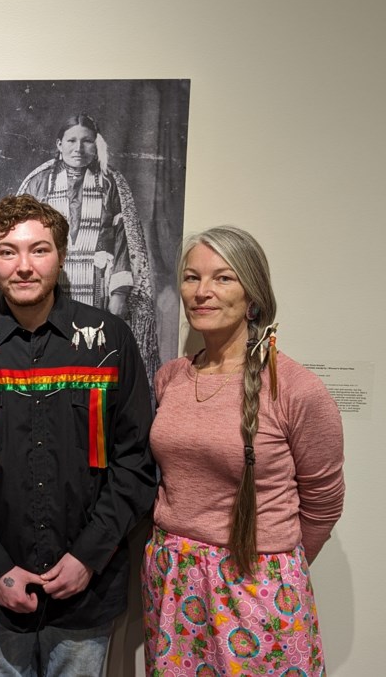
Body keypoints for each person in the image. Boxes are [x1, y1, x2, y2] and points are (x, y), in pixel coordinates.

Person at [0, 194, 156, 677]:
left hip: (86, 589)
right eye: (7, 251)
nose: (24, 266)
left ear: (61, 254)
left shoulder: (109, 342)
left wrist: (87, 556)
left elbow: (136, 460)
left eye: (40, 250)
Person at [142, 226, 345, 676]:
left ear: (252, 294)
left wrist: (271, 568)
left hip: (255, 586)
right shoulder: (171, 378)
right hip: (173, 578)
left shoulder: (296, 389)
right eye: (192, 278)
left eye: (222, 278)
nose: (202, 292)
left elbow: (324, 504)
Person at [17, 114, 160, 379]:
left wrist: (118, 296)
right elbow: (22, 243)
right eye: (71, 140)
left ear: (97, 145)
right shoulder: (39, 183)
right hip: (50, 285)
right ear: (59, 144)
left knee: (91, 363)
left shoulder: (110, 183)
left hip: (98, 287)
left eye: (87, 141)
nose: (78, 149)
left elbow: (122, 241)